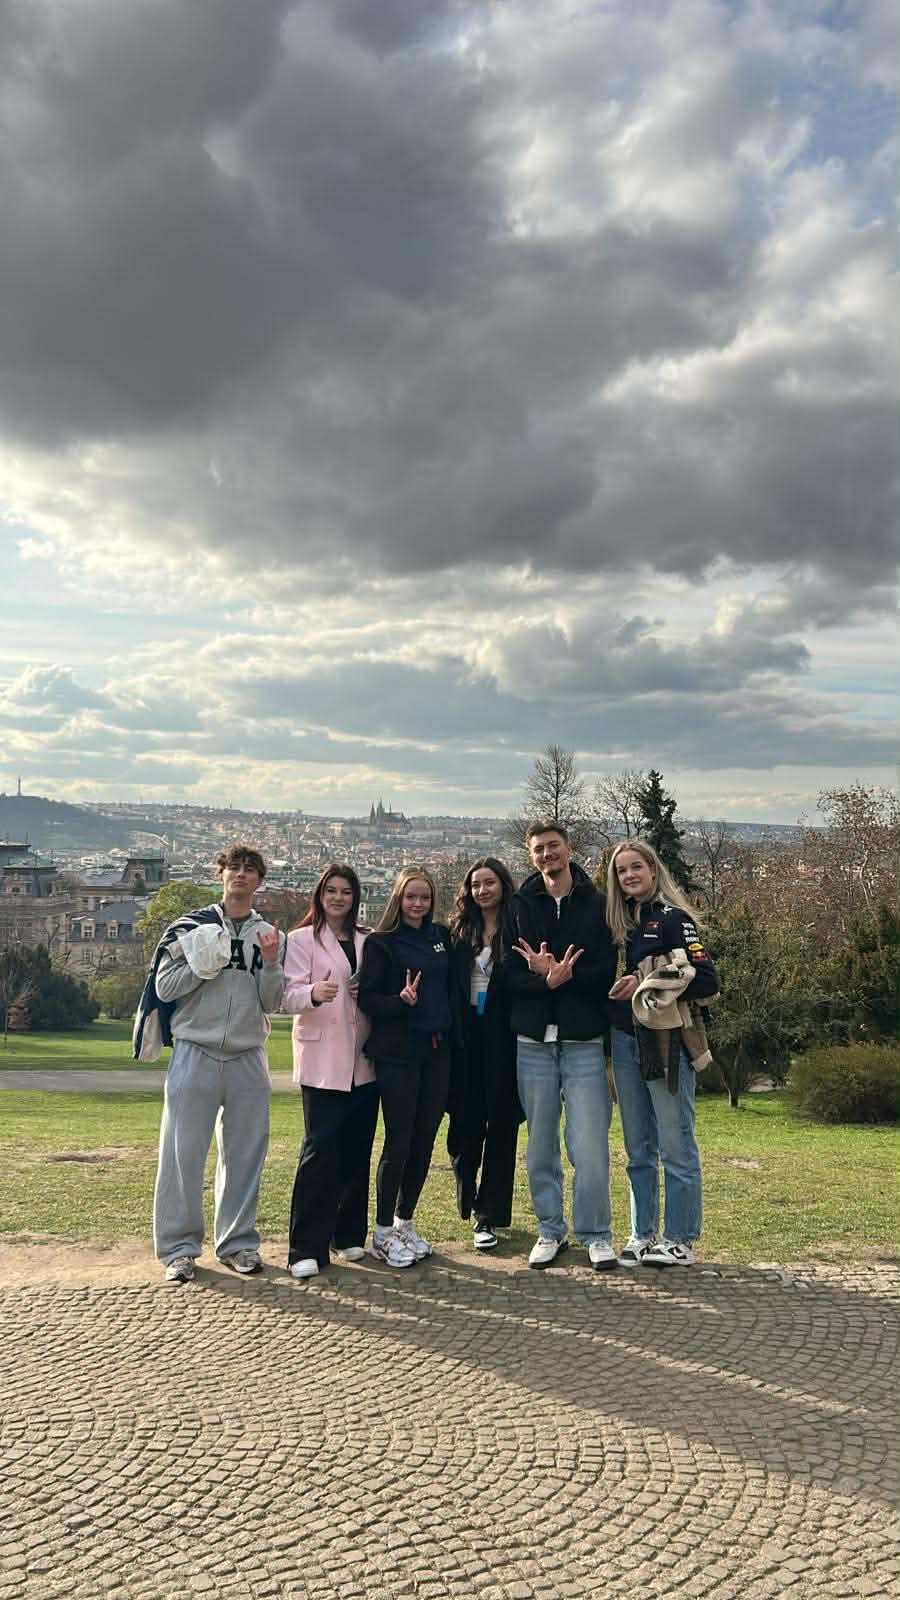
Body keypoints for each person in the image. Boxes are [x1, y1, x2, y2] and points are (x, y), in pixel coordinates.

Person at [152, 845, 285, 1283]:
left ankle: (238, 1243)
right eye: (234, 868)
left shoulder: (269, 935)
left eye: (250, 870)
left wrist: (270, 963)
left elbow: (271, 1001)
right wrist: (204, 961)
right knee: (182, 1154)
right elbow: (165, 987)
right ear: (221, 874)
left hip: (248, 1054)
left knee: (245, 1156)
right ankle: (178, 1250)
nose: (241, 875)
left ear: (260, 881)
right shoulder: (192, 927)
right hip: (196, 1049)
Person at [504, 822, 618, 1270]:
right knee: (540, 1147)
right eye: (539, 849)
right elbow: (508, 975)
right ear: (530, 856)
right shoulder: (519, 905)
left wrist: (565, 977)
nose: (547, 854)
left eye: (553, 846)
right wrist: (543, 981)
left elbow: (605, 971)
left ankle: (596, 1233)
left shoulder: (597, 904)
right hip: (533, 1041)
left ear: (569, 849)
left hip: (583, 1039)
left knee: (589, 1145)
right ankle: (550, 1229)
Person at [606, 839, 720, 1267]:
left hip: (666, 1042)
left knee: (675, 1143)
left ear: (653, 870)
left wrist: (644, 982)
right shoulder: (619, 925)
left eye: (636, 867)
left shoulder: (674, 919)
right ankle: (642, 1233)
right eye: (621, 871)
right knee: (638, 1147)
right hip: (625, 1040)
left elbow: (706, 980)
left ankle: (680, 1238)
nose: (629, 876)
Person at [281, 864, 377, 1281]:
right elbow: (286, 995)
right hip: (322, 1060)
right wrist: (313, 993)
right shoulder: (301, 939)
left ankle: (348, 1233)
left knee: (357, 1149)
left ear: (355, 898)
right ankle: (305, 1246)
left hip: (364, 1058)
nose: (339, 898)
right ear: (320, 895)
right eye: (331, 891)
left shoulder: (368, 940)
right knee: (320, 1152)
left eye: (346, 892)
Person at [358, 867, 454, 1268]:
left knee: (424, 1141)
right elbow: (367, 999)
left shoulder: (441, 937)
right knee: (399, 1142)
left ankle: (404, 1222)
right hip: (398, 1053)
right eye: (411, 896)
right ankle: (382, 1232)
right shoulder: (381, 943)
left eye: (424, 897)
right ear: (399, 899)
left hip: (436, 1051)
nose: (418, 904)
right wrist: (400, 1001)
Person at [447, 857, 523, 1251]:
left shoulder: (518, 928)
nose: (482, 891)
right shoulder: (459, 932)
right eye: (476, 885)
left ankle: (488, 1212)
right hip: (466, 1036)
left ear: (503, 885)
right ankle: (467, 1192)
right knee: (464, 1122)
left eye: (489, 883)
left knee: (502, 1125)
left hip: (503, 1035)